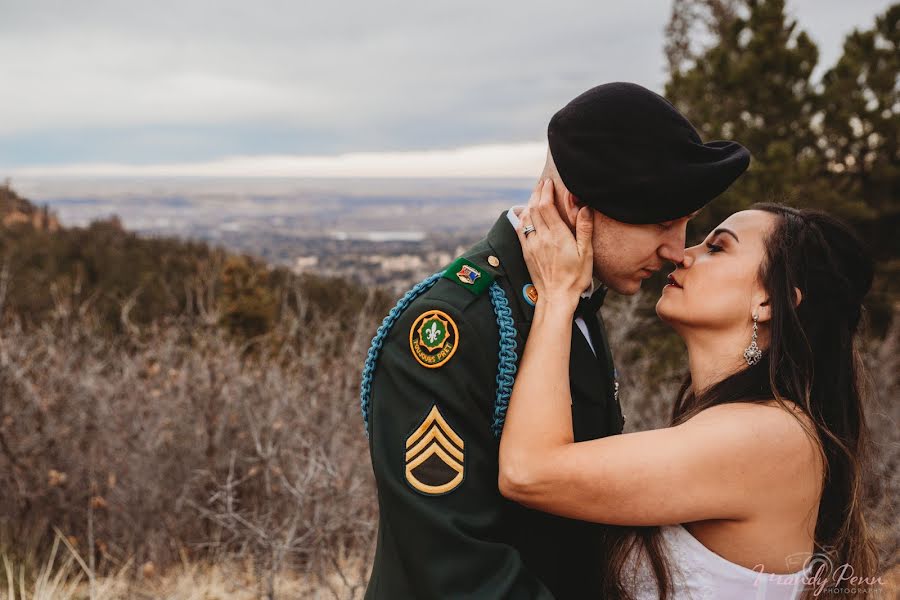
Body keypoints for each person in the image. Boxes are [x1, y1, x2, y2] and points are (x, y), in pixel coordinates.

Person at [360, 82, 750, 599]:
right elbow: (450, 564)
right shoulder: (450, 324)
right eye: (660, 222)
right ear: (576, 205)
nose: (677, 250)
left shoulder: (574, 303)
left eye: (685, 223)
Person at [499, 179, 879, 599]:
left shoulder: (770, 436)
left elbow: (529, 473)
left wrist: (557, 296)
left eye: (717, 248)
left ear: (768, 302)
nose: (681, 255)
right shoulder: (739, 423)